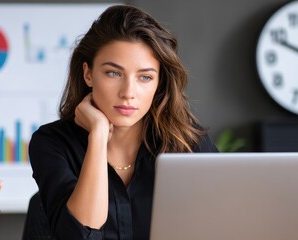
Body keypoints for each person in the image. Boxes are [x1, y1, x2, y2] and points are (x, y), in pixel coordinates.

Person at [29, 5, 218, 240]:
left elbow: (221, 226)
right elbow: (80, 233)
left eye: (145, 77)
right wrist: (97, 135)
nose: (128, 92)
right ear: (88, 74)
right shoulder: (52, 143)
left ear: (159, 83)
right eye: (114, 73)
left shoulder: (190, 144)